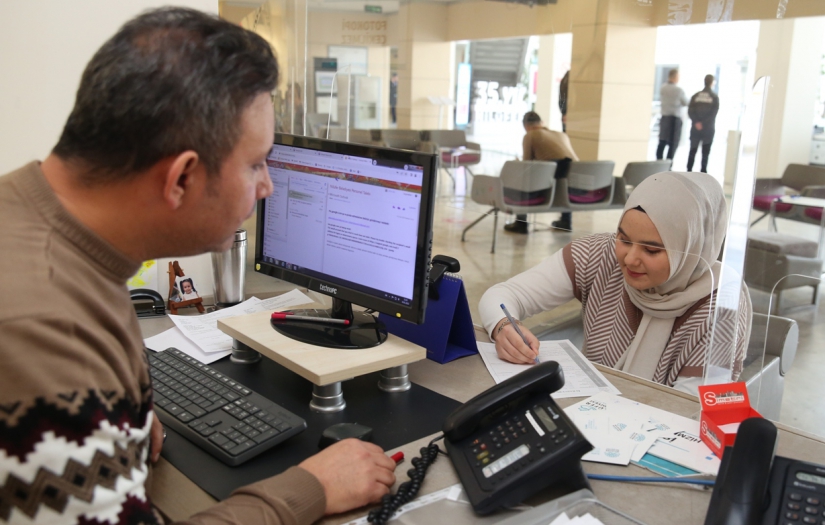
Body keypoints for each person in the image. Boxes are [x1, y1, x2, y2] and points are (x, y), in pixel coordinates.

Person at [0, 8, 396, 525]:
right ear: (182, 177)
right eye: (255, 164)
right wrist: (308, 489)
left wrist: (127, 421)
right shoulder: (48, 328)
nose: (267, 187)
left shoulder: (34, 217)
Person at [482, 172, 751, 393]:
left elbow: (692, 408)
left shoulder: (722, 306)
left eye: (652, 250)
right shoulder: (601, 254)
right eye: (623, 239)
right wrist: (504, 326)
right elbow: (501, 296)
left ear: (691, 248)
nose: (630, 259)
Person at [503, 111, 579, 234]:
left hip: (549, 187)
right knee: (562, 171)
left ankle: (521, 223)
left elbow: (526, 165)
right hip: (573, 186)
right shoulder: (562, 135)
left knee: (523, 180)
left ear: (526, 126)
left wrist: (517, 164)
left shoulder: (530, 135)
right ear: (542, 123)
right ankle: (566, 220)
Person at [687, 74, 720, 173]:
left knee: (693, 150)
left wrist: (697, 122)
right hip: (708, 129)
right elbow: (713, 114)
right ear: (712, 82)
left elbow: (690, 111)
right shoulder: (714, 97)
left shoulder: (695, 96)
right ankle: (703, 172)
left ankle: (688, 170)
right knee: (705, 152)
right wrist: (704, 124)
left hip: (695, 128)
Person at [656, 69, 688, 161]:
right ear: (675, 77)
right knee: (673, 143)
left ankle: (659, 162)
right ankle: (668, 164)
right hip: (674, 119)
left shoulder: (663, 88)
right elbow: (686, 102)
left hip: (664, 118)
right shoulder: (678, 90)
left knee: (662, 141)